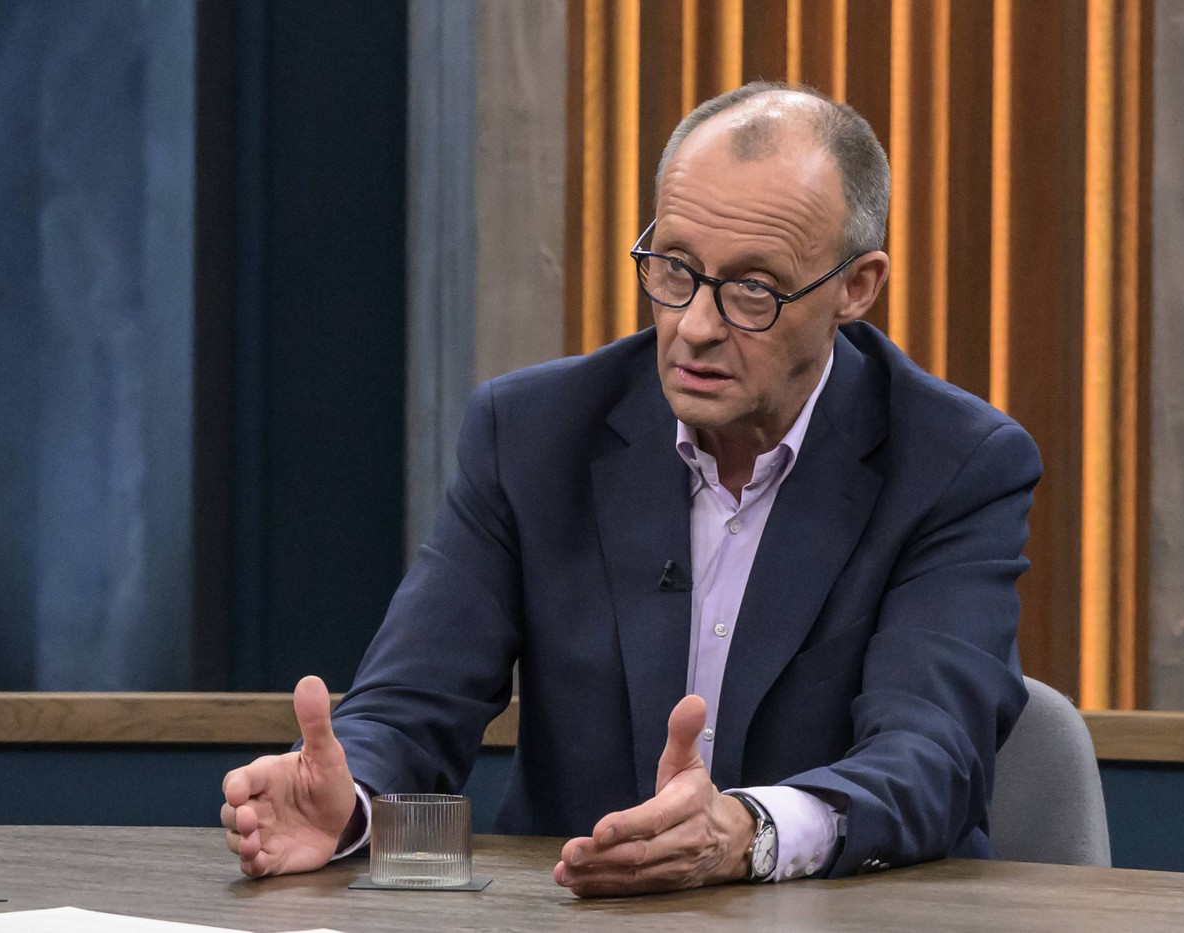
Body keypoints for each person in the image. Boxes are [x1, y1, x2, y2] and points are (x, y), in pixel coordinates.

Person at [221, 81, 1042, 897]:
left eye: (753, 288)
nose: (695, 325)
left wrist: (750, 832)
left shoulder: (954, 465)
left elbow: (930, 757)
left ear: (856, 287)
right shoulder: (533, 434)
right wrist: (349, 799)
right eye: (674, 268)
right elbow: (410, 702)